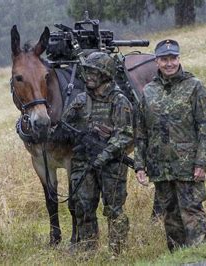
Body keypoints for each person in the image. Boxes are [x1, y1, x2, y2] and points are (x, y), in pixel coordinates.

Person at [134, 39, 206, 252]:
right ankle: (178, 258)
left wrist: (202, 163)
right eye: (164, 59)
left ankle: (201, 256)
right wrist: (140, 165)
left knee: (192, 212)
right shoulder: (148, 91)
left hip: (188, 167)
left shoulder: (194, 86)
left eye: (173, 58)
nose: (169, 63)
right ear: (157, 62)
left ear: (179, 59)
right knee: (169, 215)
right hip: (160, 167)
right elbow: (141, 131)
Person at [62, 52, 134, 254]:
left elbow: (125, 136)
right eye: (87, 71)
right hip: (83, 164)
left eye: (95, 72)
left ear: (105, 74)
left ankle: (117, 253)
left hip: (111, 165)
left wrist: (103, 155)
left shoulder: (119, 101)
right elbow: (63, 130)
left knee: (113, 210)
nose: (89, 76)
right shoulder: (81, 100)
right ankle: (88, 251)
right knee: (83, 207)